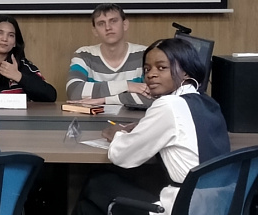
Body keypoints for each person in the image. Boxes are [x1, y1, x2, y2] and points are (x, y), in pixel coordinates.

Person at [72, 38, 230, 215]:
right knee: (88, 208)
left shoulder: (168, 105)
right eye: (147, 69)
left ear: (185, 71)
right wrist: (144, 128)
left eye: (161, 68)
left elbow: (123, 156)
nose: (151, 75)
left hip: (183, 206)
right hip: (215, 204)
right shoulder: (205, 101)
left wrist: (116, 134)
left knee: (98, 181)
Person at [66, 4, 150, 107]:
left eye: (113, 21)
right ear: (95, 31)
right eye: (101, 24)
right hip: (94, 117)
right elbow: (74, 91)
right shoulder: (84, 55)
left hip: (135, 117)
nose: (108, 27)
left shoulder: (146, 54)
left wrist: (104, 100)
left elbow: (152, 96)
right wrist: (126, 86)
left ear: (125, 25)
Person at [0, 15, 56, 102]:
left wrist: (19, 76)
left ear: (15, 43)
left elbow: (51, 95)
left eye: (11, 35)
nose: (4, 39)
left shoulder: (22, 66)